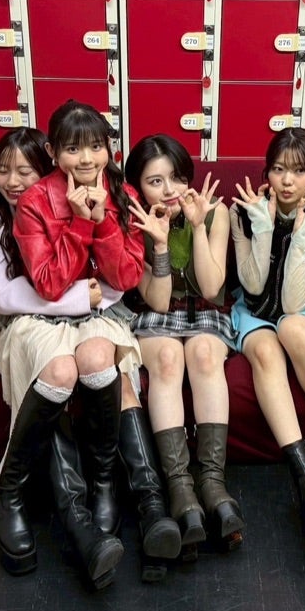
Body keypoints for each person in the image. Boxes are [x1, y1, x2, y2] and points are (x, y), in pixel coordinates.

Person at [0, 100, 146, 589]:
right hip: (41, 316)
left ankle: (103, 484)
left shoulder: (122, 192)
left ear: (109, 149)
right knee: (60, 370)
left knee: (96, 359)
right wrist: (79, 223)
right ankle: (9, 493)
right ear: (53, 152)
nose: (86, 158)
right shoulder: (35, 201)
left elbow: (126, 277)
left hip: (96, 316)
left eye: (96, 146)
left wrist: (103, 220)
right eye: (73, 148)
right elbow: (50, 284)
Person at [230, 127, 305, 549]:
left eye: (299, 171)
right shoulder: (243, 213)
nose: (287, 181)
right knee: (265, 350)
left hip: (303, 306)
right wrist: (263, 229)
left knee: (292, 327)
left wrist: (301, 240)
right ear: (266, 172)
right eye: (278, 169)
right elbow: (253, 287)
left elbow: (294, 302)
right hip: (253, 307)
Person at [124, 134, 244, 557]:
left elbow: (211, 287)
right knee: (168, 357)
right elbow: (157, 301)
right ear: (138, 187)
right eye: (155, 181)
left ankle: (211, 481)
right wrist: (158, 242)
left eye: (176, 178)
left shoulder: (216, 212)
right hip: (155, 312)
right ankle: (179, 486)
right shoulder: (132, 220)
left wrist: (196, 225)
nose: (169, 190)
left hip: (205, 311)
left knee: (205, 354)